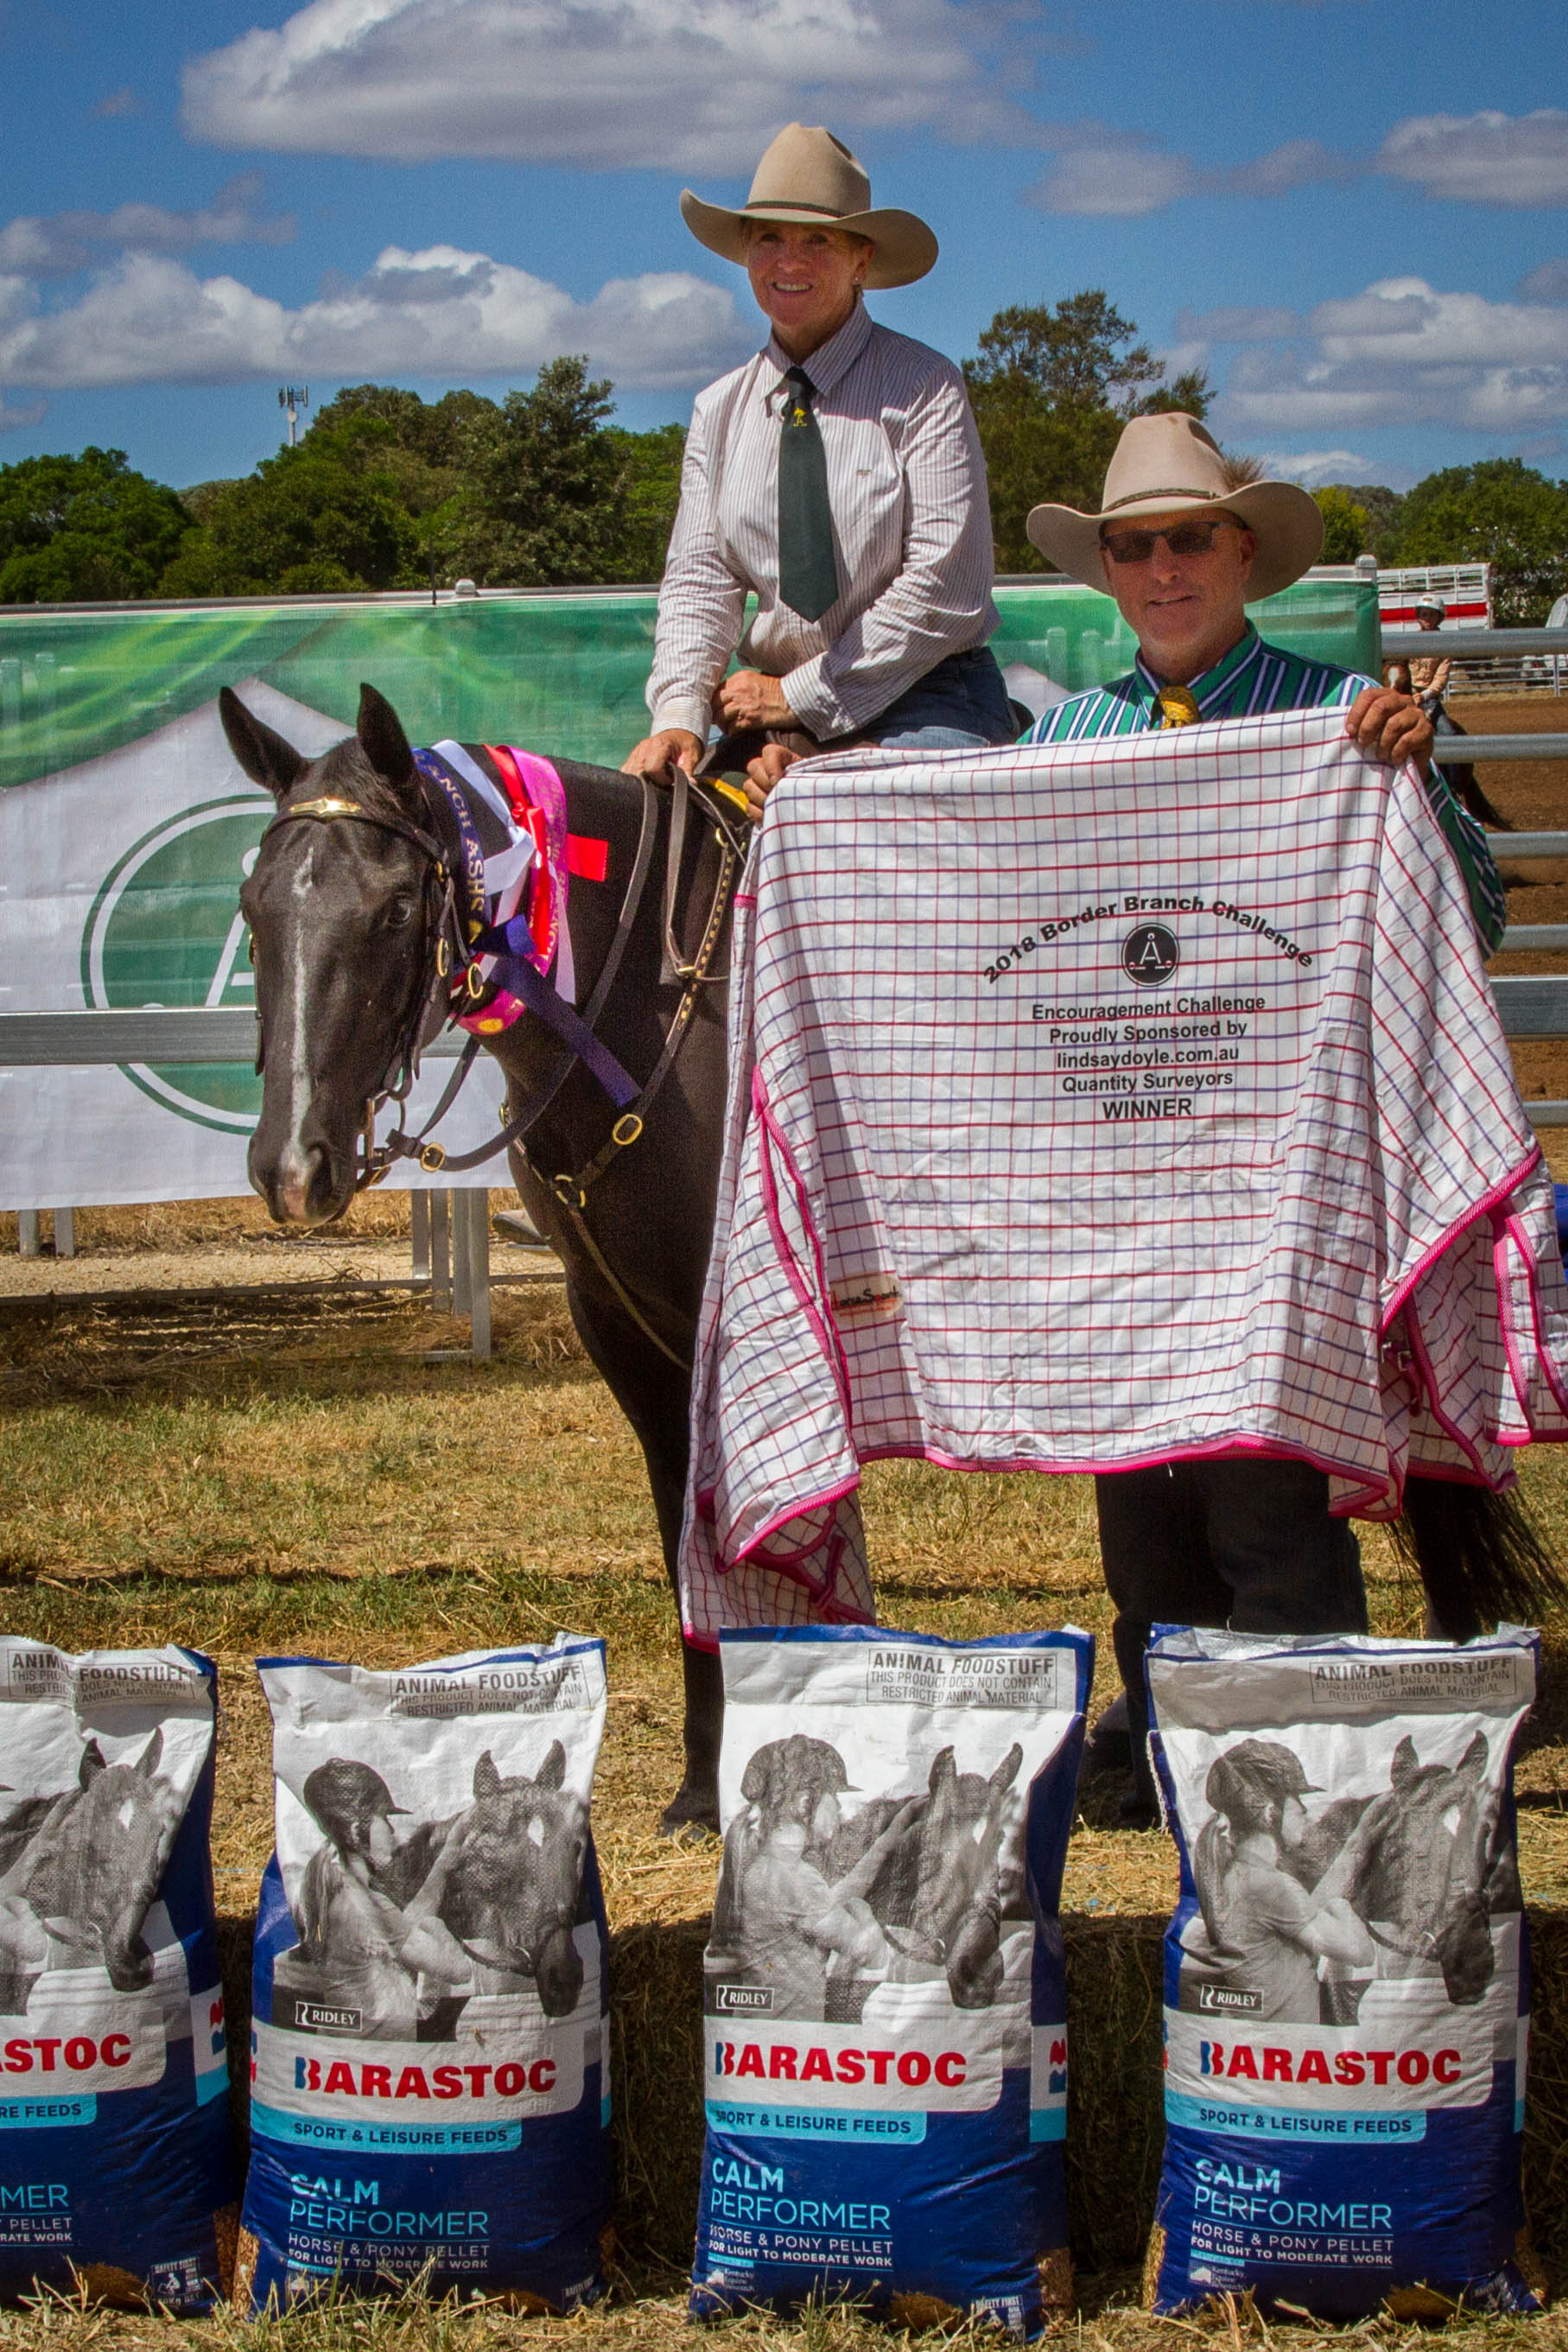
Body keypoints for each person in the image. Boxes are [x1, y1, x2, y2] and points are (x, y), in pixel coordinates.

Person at [1020, 412, 1509, 1822]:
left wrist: (1417, 785)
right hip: (1118, 1181)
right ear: (1109, 571)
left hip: (1274, 1180)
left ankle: (1301, 1752)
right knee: (1138, 1486)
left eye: (1188, 538)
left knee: (1266, 1492)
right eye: (1134, 547)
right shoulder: (1058, 744)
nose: (1162, 567)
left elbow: (1468, 916)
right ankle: (1174, 1735)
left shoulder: (1340, 722)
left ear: (1243, 552)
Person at [624, 124, 1015, 819]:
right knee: (654, 837)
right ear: (747, 254)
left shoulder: (924, 386)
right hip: (768, 715)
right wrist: (679, 714)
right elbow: (699, 581)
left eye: (817, 241)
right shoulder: (718, 410)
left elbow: (947, 584)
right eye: (768, 238)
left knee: (893, 841)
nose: (788, 260)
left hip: (925, 700)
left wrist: (796, 695)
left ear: (862, 259)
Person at [711, 1734, 918, 2019]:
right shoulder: (795, 1878)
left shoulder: (772, 1868)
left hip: (764, 2030)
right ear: (806, 1803)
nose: (839, 1809)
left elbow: (825, 1902)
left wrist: (889, 1839)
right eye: (834, 1798)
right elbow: (869, 1951)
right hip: (790, 2034)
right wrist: (863, 1911)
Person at [1184, 1741, 1374, 2025]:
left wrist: (1355, 1847)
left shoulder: (1239, 1875)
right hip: (1285, 2040)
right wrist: (1341, 1906)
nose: (1305, 1812)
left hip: (1249, 2039)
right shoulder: (1270, 1886)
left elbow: (1300, 1911)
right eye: (1296, 1799)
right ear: (1271, 1813)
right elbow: (1360, 1952)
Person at [286, 1759, 474, 2039]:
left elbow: (399, 1929)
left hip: (344, 2045)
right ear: (356, 1831)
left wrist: (443, 1865)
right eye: (384, 1819)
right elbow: (458, 1970)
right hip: (382, 2051)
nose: (392, 1831)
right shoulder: (365, 1905)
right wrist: (436, 1928)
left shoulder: (330, 1882)